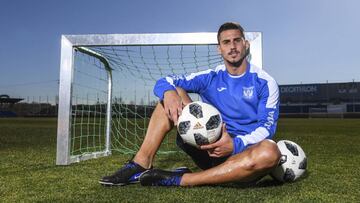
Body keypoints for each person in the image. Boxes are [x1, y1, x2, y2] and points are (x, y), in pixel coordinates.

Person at [99, 22, 281, 187]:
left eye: (237, 40)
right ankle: (141, 163)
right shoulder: (211, 77)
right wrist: (168, 92)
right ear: (219, 49)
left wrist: (235, 144)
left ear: (246, 44)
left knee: (270, 151)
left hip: (242, 157)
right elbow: (166, 80)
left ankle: (181, 179)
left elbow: (267, 127)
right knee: (173, 91)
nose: (232, 47)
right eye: (226, 42)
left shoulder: (265, 82)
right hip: (206, 147)